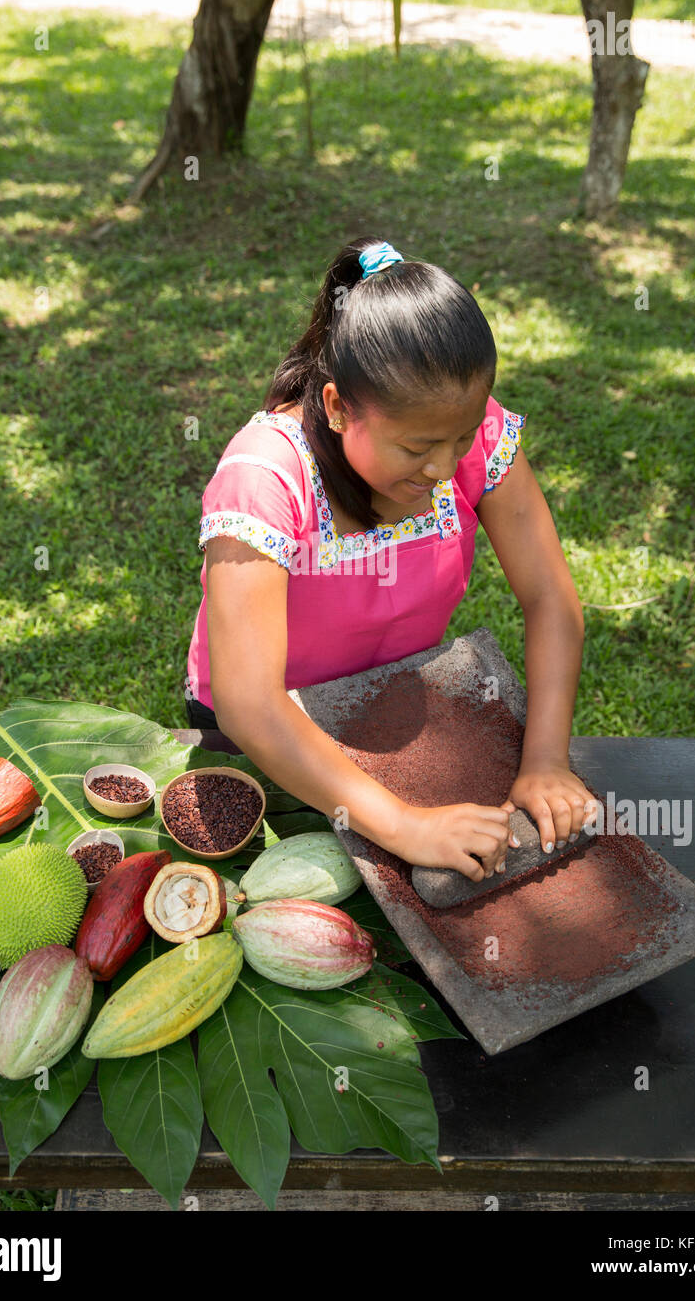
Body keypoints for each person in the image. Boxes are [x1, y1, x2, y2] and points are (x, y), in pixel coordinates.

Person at [184, 237, 597, 881]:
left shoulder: (466, 434)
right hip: (264, 743)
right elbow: (249, 705)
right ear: (337, 408)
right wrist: (405, 827)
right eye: (417, 448)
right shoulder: (263, 477)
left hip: (393, 714)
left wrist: (545, 759)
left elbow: (550, 598)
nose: (442, 466)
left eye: (459, 438)